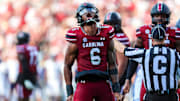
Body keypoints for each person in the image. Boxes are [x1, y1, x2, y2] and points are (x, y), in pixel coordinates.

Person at [122, 2, 180, 101]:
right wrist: (128, 78)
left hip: (168, 73)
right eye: (157, 15)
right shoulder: (144, 31)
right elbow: (134, 60)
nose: (160, 18)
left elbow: (130, 54)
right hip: (146, 72)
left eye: (162, 16)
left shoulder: (174, 33)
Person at [64, 2, 121, 101]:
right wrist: (69, 91)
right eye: (85, 12)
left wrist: (116, 89)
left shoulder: (106, 34)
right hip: (84, 83)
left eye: (91, 11)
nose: (89, 14)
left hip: (103, 82)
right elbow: (67, 65)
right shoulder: (76, 36)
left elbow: (112, 63)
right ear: (80, 16)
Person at [114, 25, 180, 101]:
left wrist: (109, 36)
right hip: (170, 96)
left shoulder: (145, 54)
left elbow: (123, 50)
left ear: (151, 39)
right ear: (165, 38)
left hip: (152, 96)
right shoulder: (174, 54)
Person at [103, 12, 130, 92]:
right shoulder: (112, 36)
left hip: (118, 75)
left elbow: (122, 63)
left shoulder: (120, 38)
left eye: (111, 24)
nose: (108, 27)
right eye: (107, 24)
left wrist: (115, 82)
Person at [16, 31, 38, 101]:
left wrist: (25, 77)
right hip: (33, 75)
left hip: (24, 75)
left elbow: (23, 62)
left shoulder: (21, 48)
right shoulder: (34, 48)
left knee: (21, 97)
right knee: (27, 97)